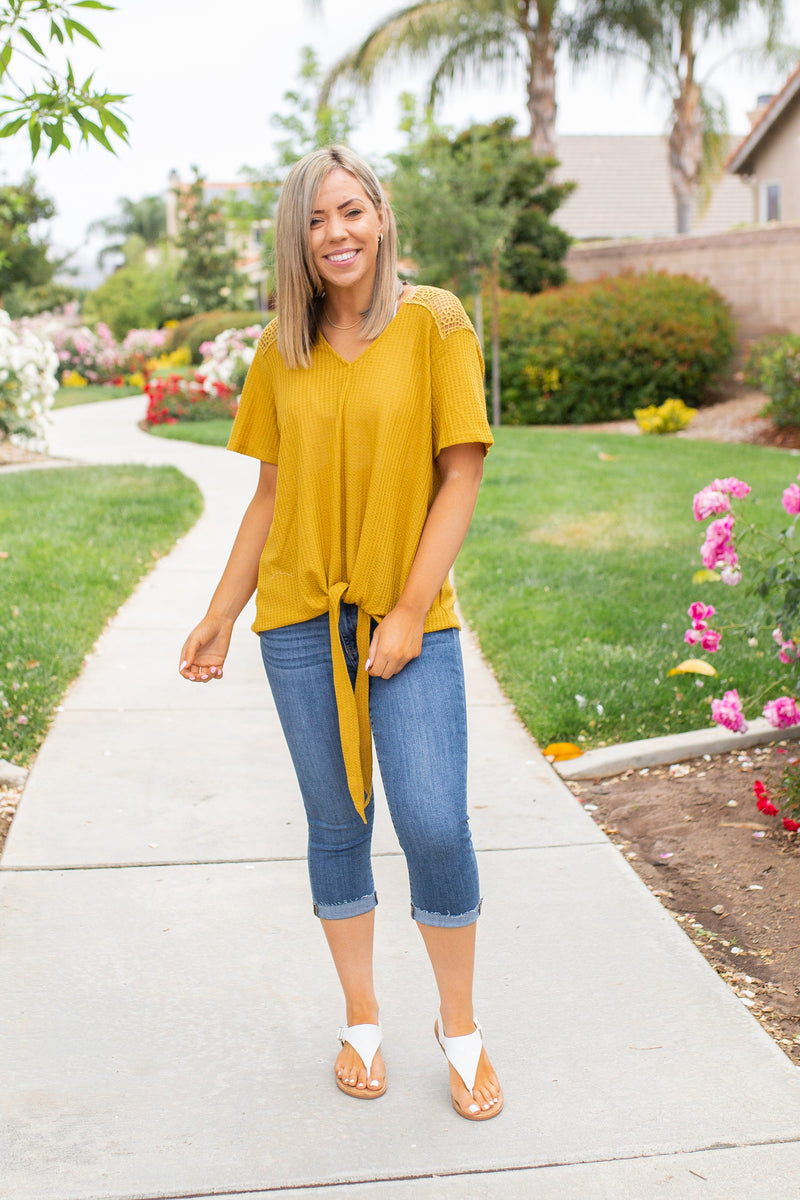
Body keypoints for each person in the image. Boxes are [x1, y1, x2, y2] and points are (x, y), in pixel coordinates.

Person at [179, 145, 503, 1121]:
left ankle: (458, 1025)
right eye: (316, 220)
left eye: (350, 211)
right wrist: (220, 611)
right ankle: (359, 1016)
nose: (336, 235)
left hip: (409, 617)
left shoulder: (433, 320)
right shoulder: (282, 345)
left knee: (434, 822)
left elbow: (461, 473)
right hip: (297, 620)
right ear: (297, 236)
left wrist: (408, 609)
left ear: (380, 214)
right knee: (336, 825)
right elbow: (269, 496)